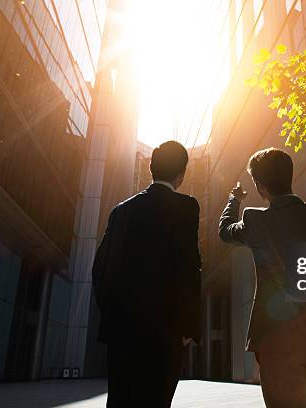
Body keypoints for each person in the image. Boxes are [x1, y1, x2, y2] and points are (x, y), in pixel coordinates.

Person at [219, 148, 306, 407]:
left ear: (260, 186)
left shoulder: (255, 219)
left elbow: (225, 231)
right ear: (290, 176)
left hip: (276, 334)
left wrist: (234, 200)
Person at [92, 141, 201, 408]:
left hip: (122, 330)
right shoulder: (186, 206)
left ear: (151, 167)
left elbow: (100, 267)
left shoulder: (121, 211)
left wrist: (111, 313)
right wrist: (188, 326)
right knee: (156, 400)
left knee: (120, 400)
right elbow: (188, 266)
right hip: (166, 330)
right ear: (182, 174)